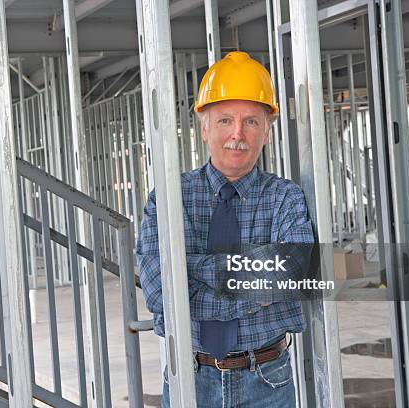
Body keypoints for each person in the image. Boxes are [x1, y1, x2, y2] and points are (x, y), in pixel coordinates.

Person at [137, 51, 315, 407]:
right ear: (204, 127)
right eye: (224, 121)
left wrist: (193, 268)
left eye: (251, 121)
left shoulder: (286, 197)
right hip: (191, 378)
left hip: (267, 381)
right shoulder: (169, 199)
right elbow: (161, 296)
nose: (238, 134)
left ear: (266, 130)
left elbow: (293, 275)